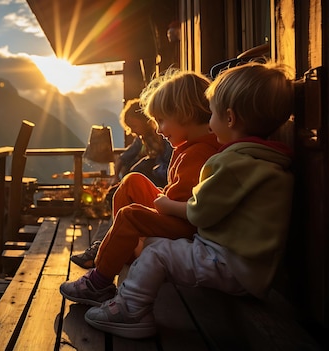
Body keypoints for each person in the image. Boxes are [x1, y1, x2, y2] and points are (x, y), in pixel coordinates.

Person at [82, 61, 295, 339]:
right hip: (249, 266)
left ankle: (131, 310)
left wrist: (164, 205)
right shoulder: (264, 161)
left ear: (228, 118)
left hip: (229, 263)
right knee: (156, 247)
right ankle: (124, 288)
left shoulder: (232, 163)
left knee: (156, 252)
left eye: (213, 114)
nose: (209, 120)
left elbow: (199, 212)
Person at [63, 69, 221, 289]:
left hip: (186, 224)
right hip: (174, 211)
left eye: (162, 120)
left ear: (184, 114)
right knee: (132, 181)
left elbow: (187, 207)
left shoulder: (200, 152)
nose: (158, 129)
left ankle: (99, 281)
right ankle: (117, 248)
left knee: (130, 216)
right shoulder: (189, 146)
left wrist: (162, 203)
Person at [113, 98, 172, 188]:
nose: (132, 131)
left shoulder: (165, 137)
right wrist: (116, 176)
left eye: (134, 126)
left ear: (145, 121)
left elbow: (169, 165)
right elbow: (124, 157)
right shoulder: (141, 139)